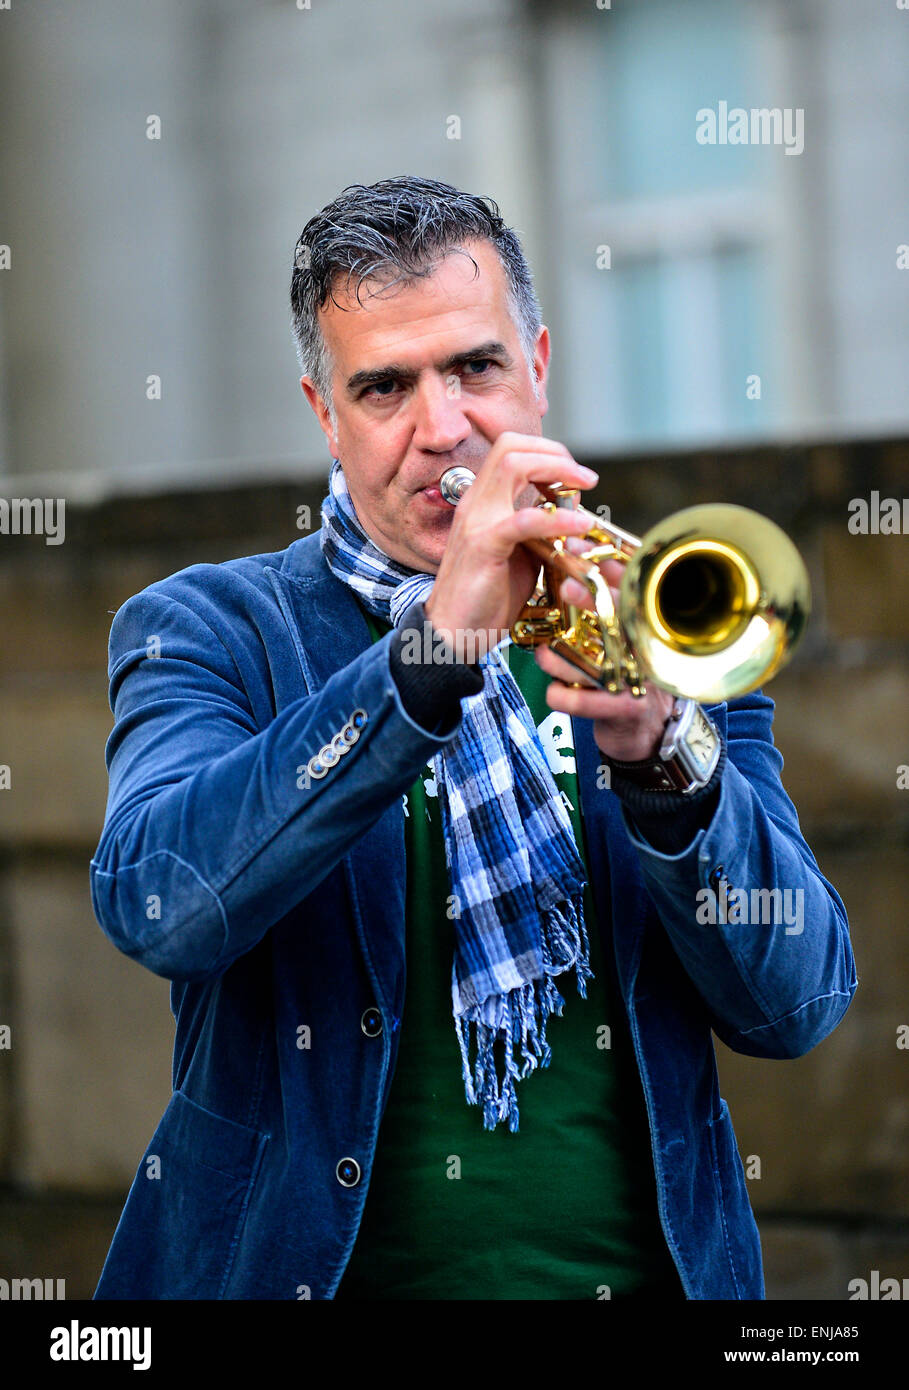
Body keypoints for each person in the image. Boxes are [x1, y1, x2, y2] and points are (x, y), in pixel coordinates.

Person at [90, 175, 856, 1301]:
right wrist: (433, 652)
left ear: (537, 364)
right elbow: (160, 898)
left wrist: (667, 765)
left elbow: (796, 1002)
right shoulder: (208, 626)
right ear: (324, 413)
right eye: (386, 387)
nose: (442, 426)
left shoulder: (658, 626)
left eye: (476, 368)